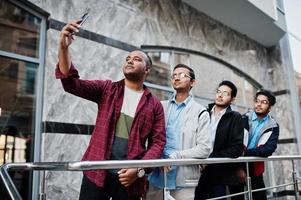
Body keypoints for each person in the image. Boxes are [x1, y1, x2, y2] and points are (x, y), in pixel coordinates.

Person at [56, 20, 166, 200]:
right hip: (96, 170)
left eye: (137, 59)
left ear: (147, 69)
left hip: (129, 179)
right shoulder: (107, 89)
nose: (130, 61)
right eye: (128, 59)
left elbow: (158, 143)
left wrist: (138, 170)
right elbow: (71, 84)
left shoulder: (154, 105)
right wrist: (63, 47)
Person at [147, 64, 212, 200]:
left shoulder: (200, 112)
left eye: (182, 75)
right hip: (157, 175)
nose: (177, 78)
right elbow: (152, 138)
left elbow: (205, 148)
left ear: (192, 82)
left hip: (183, 178)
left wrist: (176, 156)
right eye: (174, 75)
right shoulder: (160, 106)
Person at [194, 80, 244, 200]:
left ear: (232, 99)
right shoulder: (204, 112)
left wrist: (210, 159)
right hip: (197, 169)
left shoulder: (235, 117)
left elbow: (236, 149)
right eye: (218, 92)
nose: (220, 95)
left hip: (219, 171)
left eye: (225, 93)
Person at [229, 89, 279, 200]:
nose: (259, 104)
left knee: (259, 196)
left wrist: (244, 153)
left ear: (270, 107)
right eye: (257, 101)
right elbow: (232, 144)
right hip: (237, 163)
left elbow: (268, 149)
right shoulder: (242, 119)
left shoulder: (273, 126)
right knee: (236, 197)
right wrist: (237, 167)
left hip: (256, 166)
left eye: (264, 102)